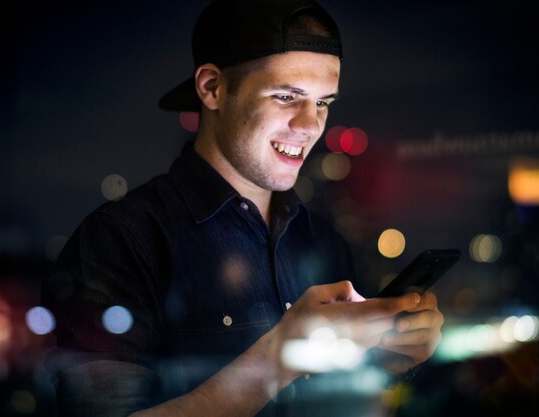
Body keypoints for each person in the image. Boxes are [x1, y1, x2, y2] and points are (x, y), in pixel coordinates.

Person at [41, 1, 444, 416]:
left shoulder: (323, 242)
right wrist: (281, 357)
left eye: (323, 102)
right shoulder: (122, 240)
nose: (310, 125)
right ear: (212, 88)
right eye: (287, 96)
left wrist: (390, 358)